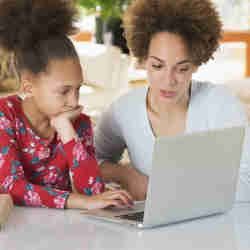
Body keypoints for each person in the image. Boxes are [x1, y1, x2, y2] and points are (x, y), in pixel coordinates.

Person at [94, 0, 250, 201]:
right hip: (149, 229)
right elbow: (88, 163)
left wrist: (170, 194)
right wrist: (126, 175)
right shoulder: (122, 111)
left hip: (216, 226)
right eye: (158, 66)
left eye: (182, 68)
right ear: (143, 60)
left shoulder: (220, 104)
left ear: (196, 64)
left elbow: (248, 181)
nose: (169, 81)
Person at [0, 0, 133, 210]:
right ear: (28, 87)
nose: (74, 101)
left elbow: (93, 193)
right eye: (64, 91)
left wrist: (66, 132)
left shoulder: (77, 124)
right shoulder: (5, 116)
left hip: (62, 232)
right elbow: (11, 186)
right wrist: (78, 201)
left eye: (78, 88)